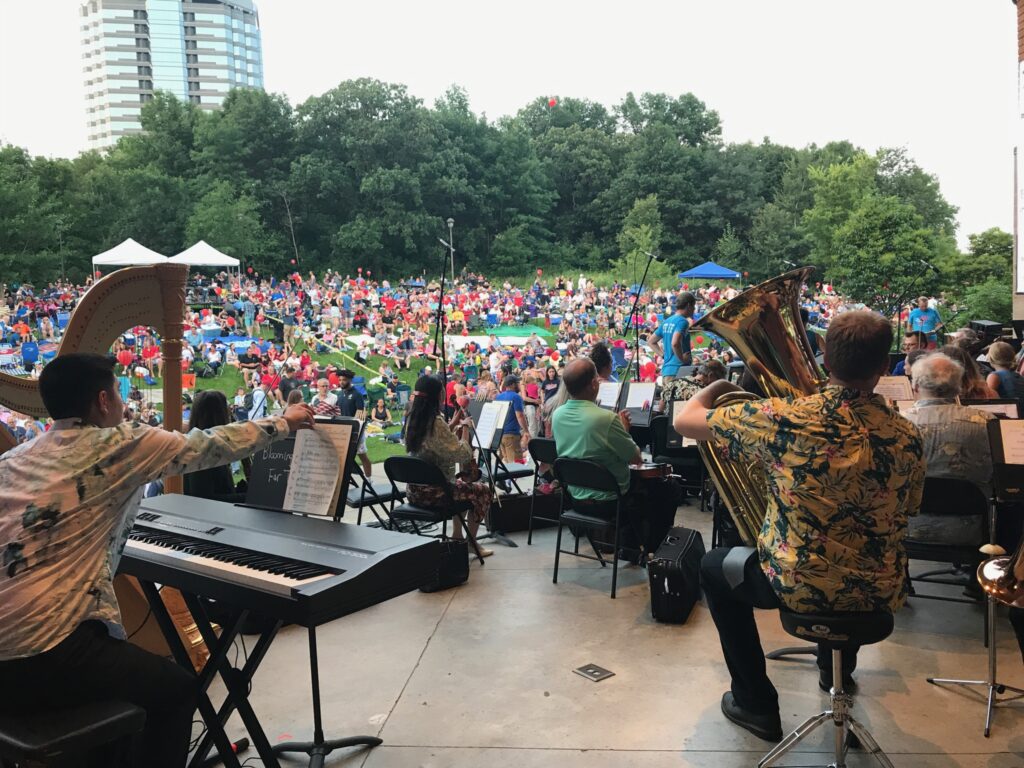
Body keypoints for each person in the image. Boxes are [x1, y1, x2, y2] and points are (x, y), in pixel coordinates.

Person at [0, 353, 315, 768]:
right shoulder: (119, 444)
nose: (122, 402)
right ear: (102, 400)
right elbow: (211, 445)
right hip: (46, 653)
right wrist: (286, 421)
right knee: (179, 690)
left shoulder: (14, 460)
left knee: (127, 682)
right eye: (117, 392)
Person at [674, 311, 925, 742]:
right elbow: (908, 509)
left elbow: (685, 422)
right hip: (880, 592)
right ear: (885, 367)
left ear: (825, 361)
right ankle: (835, 677)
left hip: (794, 586)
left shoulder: (784, 418)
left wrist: (718, 386)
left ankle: (755, 703)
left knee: (714, 569)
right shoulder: (908, 435)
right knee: (851, 561)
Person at [551, 358, 680, 558]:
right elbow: (635, 459)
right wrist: (624, 430)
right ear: (594, 384)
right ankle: (653, 550)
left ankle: (630, 548)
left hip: (575, 498)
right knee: (667, 487)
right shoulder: (606, 419)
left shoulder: (558, 415)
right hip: (610, 502)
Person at [902, 353, 993, 542]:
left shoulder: (898, 423)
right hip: (975, 528)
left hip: (908, 526)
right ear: (958, 386)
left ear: (915, 385)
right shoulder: (987, 422)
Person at [404, 375, 492, 557]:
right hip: (436, 493)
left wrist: (453, 424)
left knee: (462, 486)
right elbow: (463, 453)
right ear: (438, 395)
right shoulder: (435, 423)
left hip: (414, 491)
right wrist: (466, 428)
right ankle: (471, 543)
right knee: (481, 490)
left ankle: (458, 535)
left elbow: (435, 441)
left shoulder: (413, 418)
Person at [183, 390, 252, 504]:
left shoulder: (199, 444)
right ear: (219, 415)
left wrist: (237, 491)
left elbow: (216, 489)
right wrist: (247, 496)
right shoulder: (202, 451)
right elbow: (204, 500)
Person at [649, 292, 695, 384]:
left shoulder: (667, 321)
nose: (694, 309)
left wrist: (663, 355)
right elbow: (675, 343)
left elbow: (651, 341)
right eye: (694, 306)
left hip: (667, 371)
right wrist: (682, 358)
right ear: (688, 305)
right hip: (679, 371)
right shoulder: (683, 321)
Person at [337, 368, 372, 477]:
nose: (341, 382)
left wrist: (357, 431)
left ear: (350, 380)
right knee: (345, 459)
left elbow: (360, 415)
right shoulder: (340, 394)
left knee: (363, 456)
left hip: (356, 431)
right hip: (344, 431)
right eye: (340, 380)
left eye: (344, 380)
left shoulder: (357, 395)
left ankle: (369, 480)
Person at [495, 374, 529, 464]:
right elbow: (520, 416)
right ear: (513, 385)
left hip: (501, 434)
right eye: (517, 383)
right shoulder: (516, 397)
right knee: (515, 465)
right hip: (511, 435)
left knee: (507, 462)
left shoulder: (498, 397)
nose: (519, 385)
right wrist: (526, 431)